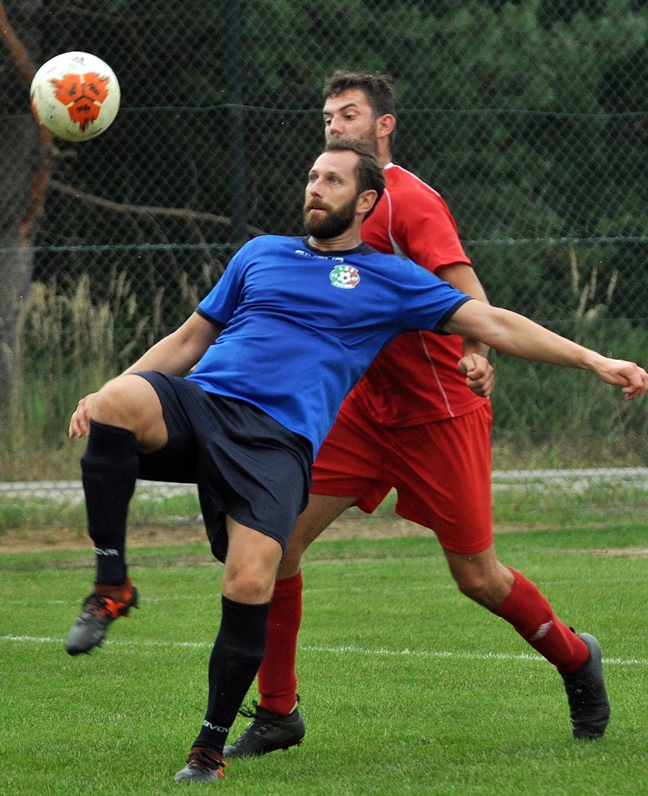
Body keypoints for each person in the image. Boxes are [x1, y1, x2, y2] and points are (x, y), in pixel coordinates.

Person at [63, 138, 648, 783]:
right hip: (215, 407)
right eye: (312, 175)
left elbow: (497, 321)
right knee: (118, 402)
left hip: (316, 437)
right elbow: (187, 340)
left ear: (367, 199)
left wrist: (595, 360)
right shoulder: (260, 254)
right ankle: (117, 588)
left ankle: (572, 658)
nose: (315, 187)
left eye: (333, 179)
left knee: (457, 576)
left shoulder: (389, 277)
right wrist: (104, 395)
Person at [221, 70, 613, 760]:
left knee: (478, 578)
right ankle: (279, 711)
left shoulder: (408, 202)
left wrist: (473, 348)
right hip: (363, 412)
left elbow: (469, 294)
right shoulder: (335, 196)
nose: (335, 127)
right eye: (327, 117)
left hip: (438, 415)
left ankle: (577, 658)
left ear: (384, 126)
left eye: (348, 115)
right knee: (278, 545)